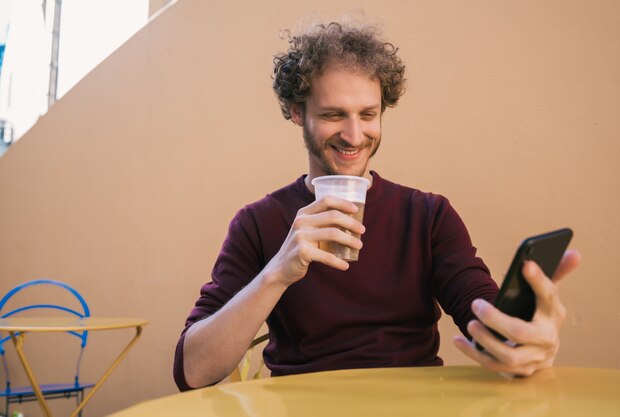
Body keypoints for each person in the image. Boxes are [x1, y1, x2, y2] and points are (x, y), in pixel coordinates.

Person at [173, 21, 580, 391]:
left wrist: (526, 335)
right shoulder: (258, 223)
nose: (354, 135)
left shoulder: (428, 215)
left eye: (368, 114)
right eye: (334, 115)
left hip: (412, 404)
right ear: (298, 113)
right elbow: (194, 371)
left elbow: (483, 317)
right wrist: (277, 273)